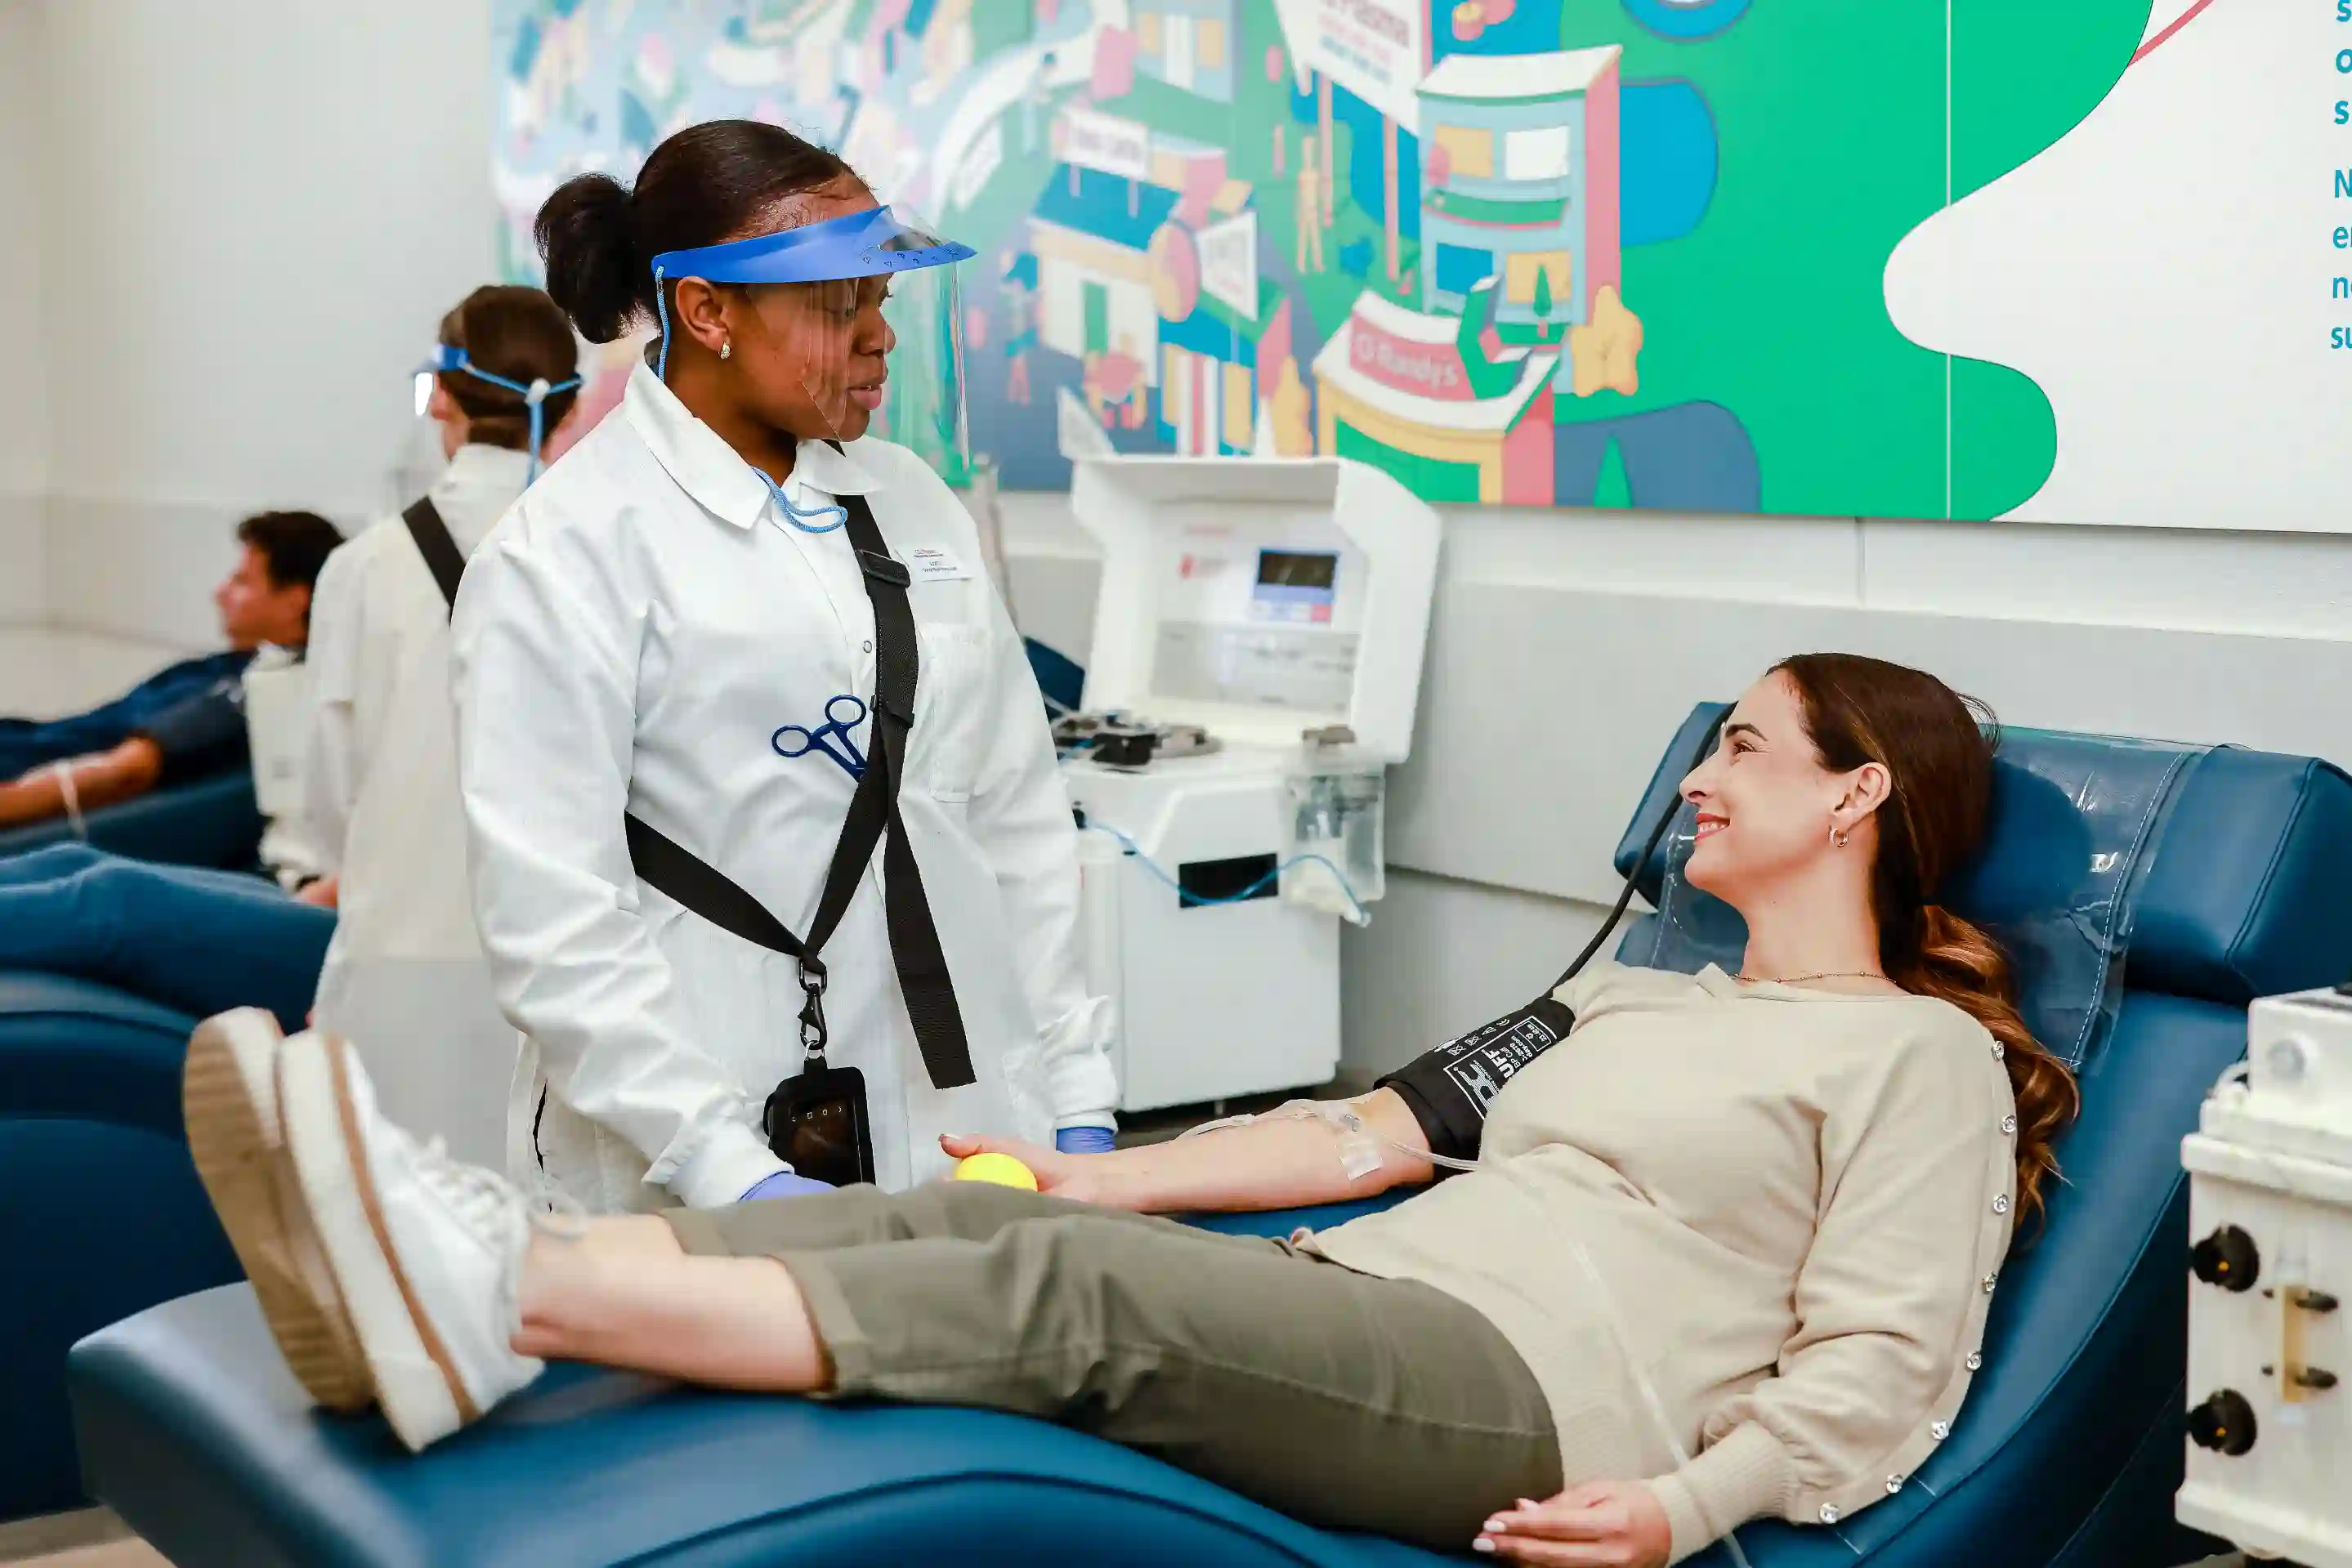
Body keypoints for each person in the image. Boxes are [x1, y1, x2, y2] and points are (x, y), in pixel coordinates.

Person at [186, 653, 2079, 1567]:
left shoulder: (1916, 1060)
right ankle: (473, 1286)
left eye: (1744, 745)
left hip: (1537, 1397)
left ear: (1853, 799)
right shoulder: (1621, 987)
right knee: (992, 1217)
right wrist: (1097, 1174)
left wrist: (1683, 1508)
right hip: (1378, 1287)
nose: (1695, 779)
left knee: (1073, 1310)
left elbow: (1884, 1370)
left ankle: (497, 1294)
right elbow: (1365, 1133)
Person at [452, 120, 1118, 1216]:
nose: (877, 339)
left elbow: (1016, 824)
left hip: (971, 1121)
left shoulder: (910, 501)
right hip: (703, 1141)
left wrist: (1076, 1093)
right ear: (706, 309)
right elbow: (555, 925)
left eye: (882, 302)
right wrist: (729, 1168)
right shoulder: (566, 550)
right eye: (835, 305)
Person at [299, 286, 580, 1166]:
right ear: (567, 407)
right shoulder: (595, 553)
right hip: (565, 973)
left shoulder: (362, 567)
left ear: (444, 399)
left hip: (396, 962)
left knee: (392, 1240)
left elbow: (331, 794)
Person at [0, 511, 343, 835]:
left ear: (295, 601)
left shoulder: (251, 692)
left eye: (242, 582)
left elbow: (125, 773)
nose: (220, 594)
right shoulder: (225, 670)